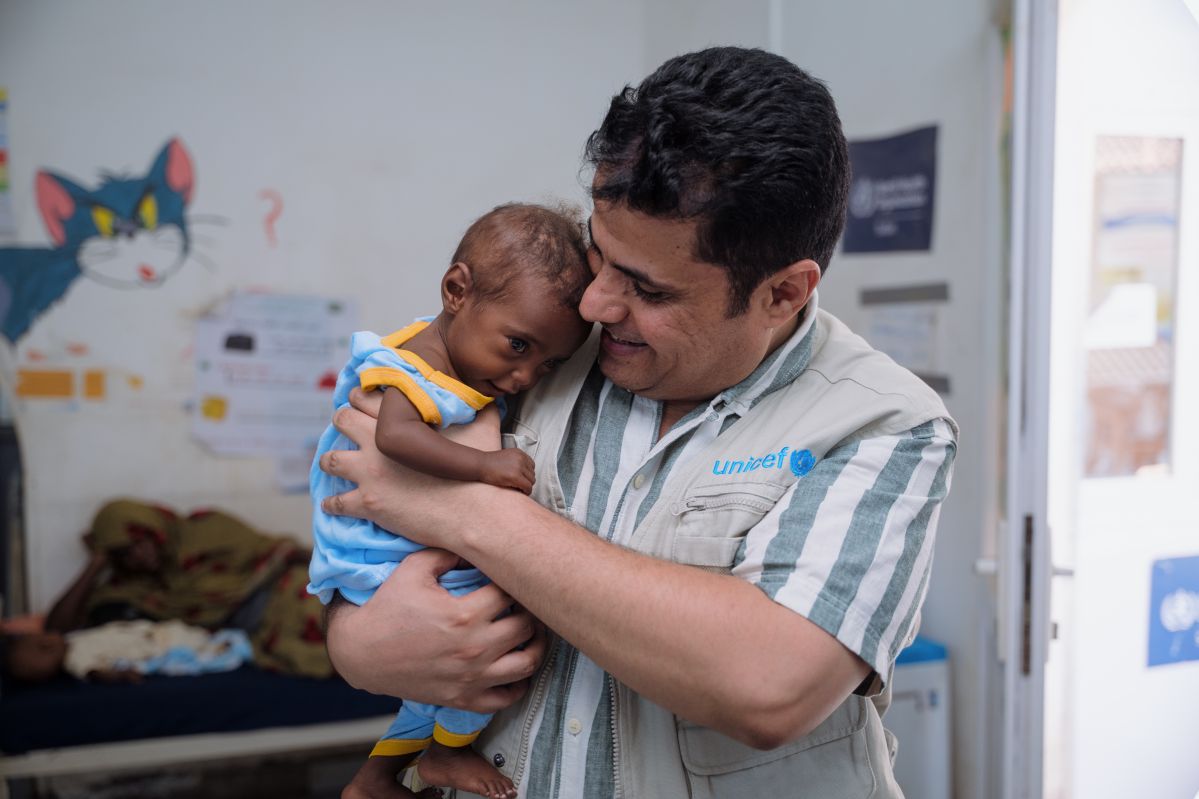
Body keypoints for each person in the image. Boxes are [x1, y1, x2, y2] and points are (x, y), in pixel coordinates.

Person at [319, 47, 958, 799]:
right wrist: (356, 643)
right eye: (600, 254)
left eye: (647, 288)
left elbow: (768, 685)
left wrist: (467, 511)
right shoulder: (541, 343)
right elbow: (361, 483)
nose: (596, 304)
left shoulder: (884, 421)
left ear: (782, 292)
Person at [308, 203, 592, 799]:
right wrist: (485, 466)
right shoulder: (412, 372)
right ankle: (445, 749)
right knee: (500, 649)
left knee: (444, 677)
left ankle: (378, 775)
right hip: (378, 557)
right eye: (517, 346)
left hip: (379, 554)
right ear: (457, 291)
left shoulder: (442, 350)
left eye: (549, 365)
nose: (524, 377)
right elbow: (396, 438)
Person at [41, 498, 333, 679]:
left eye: (141, 542)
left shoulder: (207, 527)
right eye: (124, 554)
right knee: (318, 648)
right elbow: (57, 629)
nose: (139, 557)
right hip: (257, 630)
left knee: (331, 610)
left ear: (154, 527)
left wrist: (334, 570)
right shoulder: (131, 589)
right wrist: (96, 563)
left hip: (285, 588)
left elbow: (278, 551)